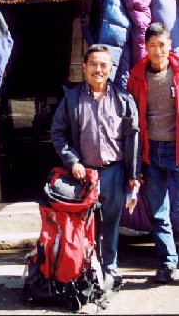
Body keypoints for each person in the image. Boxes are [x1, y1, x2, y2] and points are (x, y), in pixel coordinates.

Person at [51, 44, 141, 286]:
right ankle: (86, 268)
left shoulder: (123, 98)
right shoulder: (72, 98)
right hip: (84, 175)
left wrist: (133, 174)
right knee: (85, 224)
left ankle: (109, 269)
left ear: (110, 68)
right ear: (84, 68)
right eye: (93, 64)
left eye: (103, 65)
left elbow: (133, 137)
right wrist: (73, 162)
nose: (98, 70)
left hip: (114, 171)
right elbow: (58, 133)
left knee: (111, 224)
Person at [127, 22, 179, 283]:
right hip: (150, 153)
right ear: (145, 48)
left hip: (178, 149)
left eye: (162, 45)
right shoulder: (137, 76)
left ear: (170, 45)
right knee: (159, 211)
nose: (157, 51)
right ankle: (168, 263)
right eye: (152, 46)